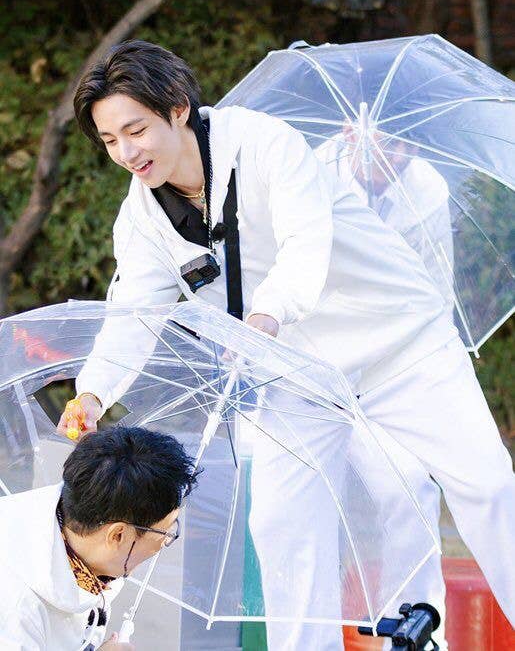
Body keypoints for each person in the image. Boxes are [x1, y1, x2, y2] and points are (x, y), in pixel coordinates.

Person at [58, 39, 514, 650]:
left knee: (487, 487)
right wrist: (93, 392)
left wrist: (266, 317)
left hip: (401, 345)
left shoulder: (266, 143)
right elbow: (133, 314)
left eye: (135, 131)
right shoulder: (141, 217)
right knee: (281, 523)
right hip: (296, 375)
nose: (126, 153)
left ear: (177, 107)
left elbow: (305, 243)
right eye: (111, 140)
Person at [0, 425, 197, 651]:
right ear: (118, 535)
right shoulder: (15, 611)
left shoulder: (82, 552)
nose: (166, 541)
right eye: (165, 532)